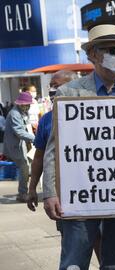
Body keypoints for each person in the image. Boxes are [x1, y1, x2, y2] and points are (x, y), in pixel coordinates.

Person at [42, 24, 115, 270]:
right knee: (74, 264)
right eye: (112, 51)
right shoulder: (68, 94)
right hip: (79, 198)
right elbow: (54, 149)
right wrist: (50, 191)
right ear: (93, 55)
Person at [27, 70, 78, 212]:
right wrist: (32, 188)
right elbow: (39, 157)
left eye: (56, 86)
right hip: (63, 194)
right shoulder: (46, 120)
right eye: (50, 86)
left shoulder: (91, 112)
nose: (52, 90)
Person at [3, 92, 35, 202]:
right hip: (15, 146)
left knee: (27, 167)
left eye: (28, 105)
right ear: (21, 104)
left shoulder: (24, 112)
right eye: (26, 105)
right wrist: (34, 138)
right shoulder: (14, 114)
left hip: (23, 145)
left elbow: (26, 127)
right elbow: (19, 132)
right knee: (24, 167)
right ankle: (22, 193)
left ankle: (24, 191)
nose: (27, 106)